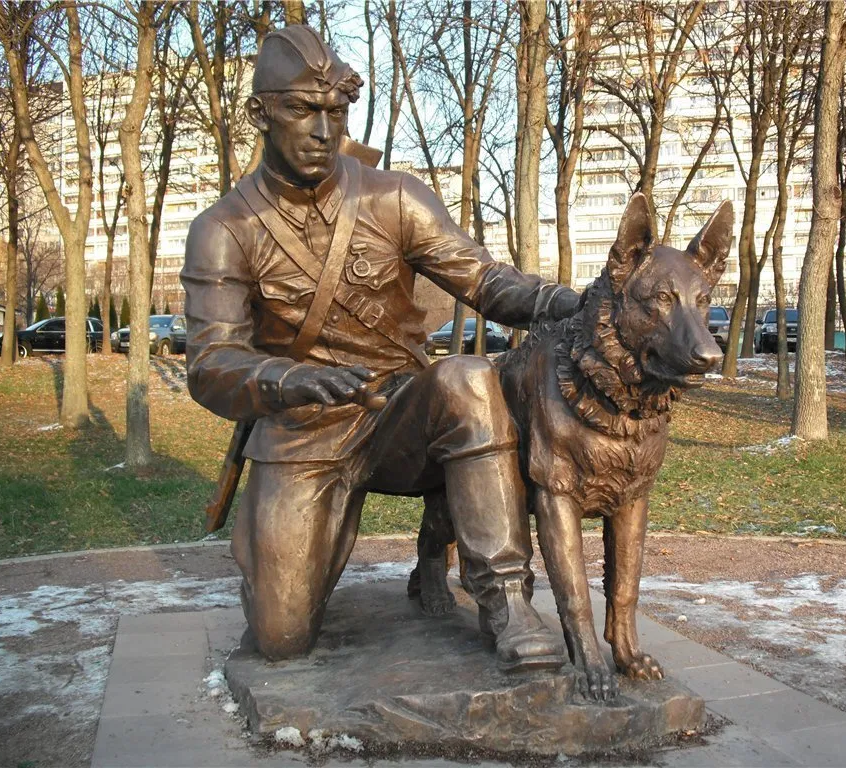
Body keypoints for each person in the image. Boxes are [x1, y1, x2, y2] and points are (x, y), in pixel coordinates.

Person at [181, 25, 579, 672]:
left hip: (398, 412)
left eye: (334, 114)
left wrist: (575, 303)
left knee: (469, 379)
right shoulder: (223, 230)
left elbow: (483, 280)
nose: (321, 130)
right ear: (259, 112)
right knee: (280, 638)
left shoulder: (394, 197)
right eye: (301, 110)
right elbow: (211, 365)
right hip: (300, 427)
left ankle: (507, 599)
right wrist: (292, 382)